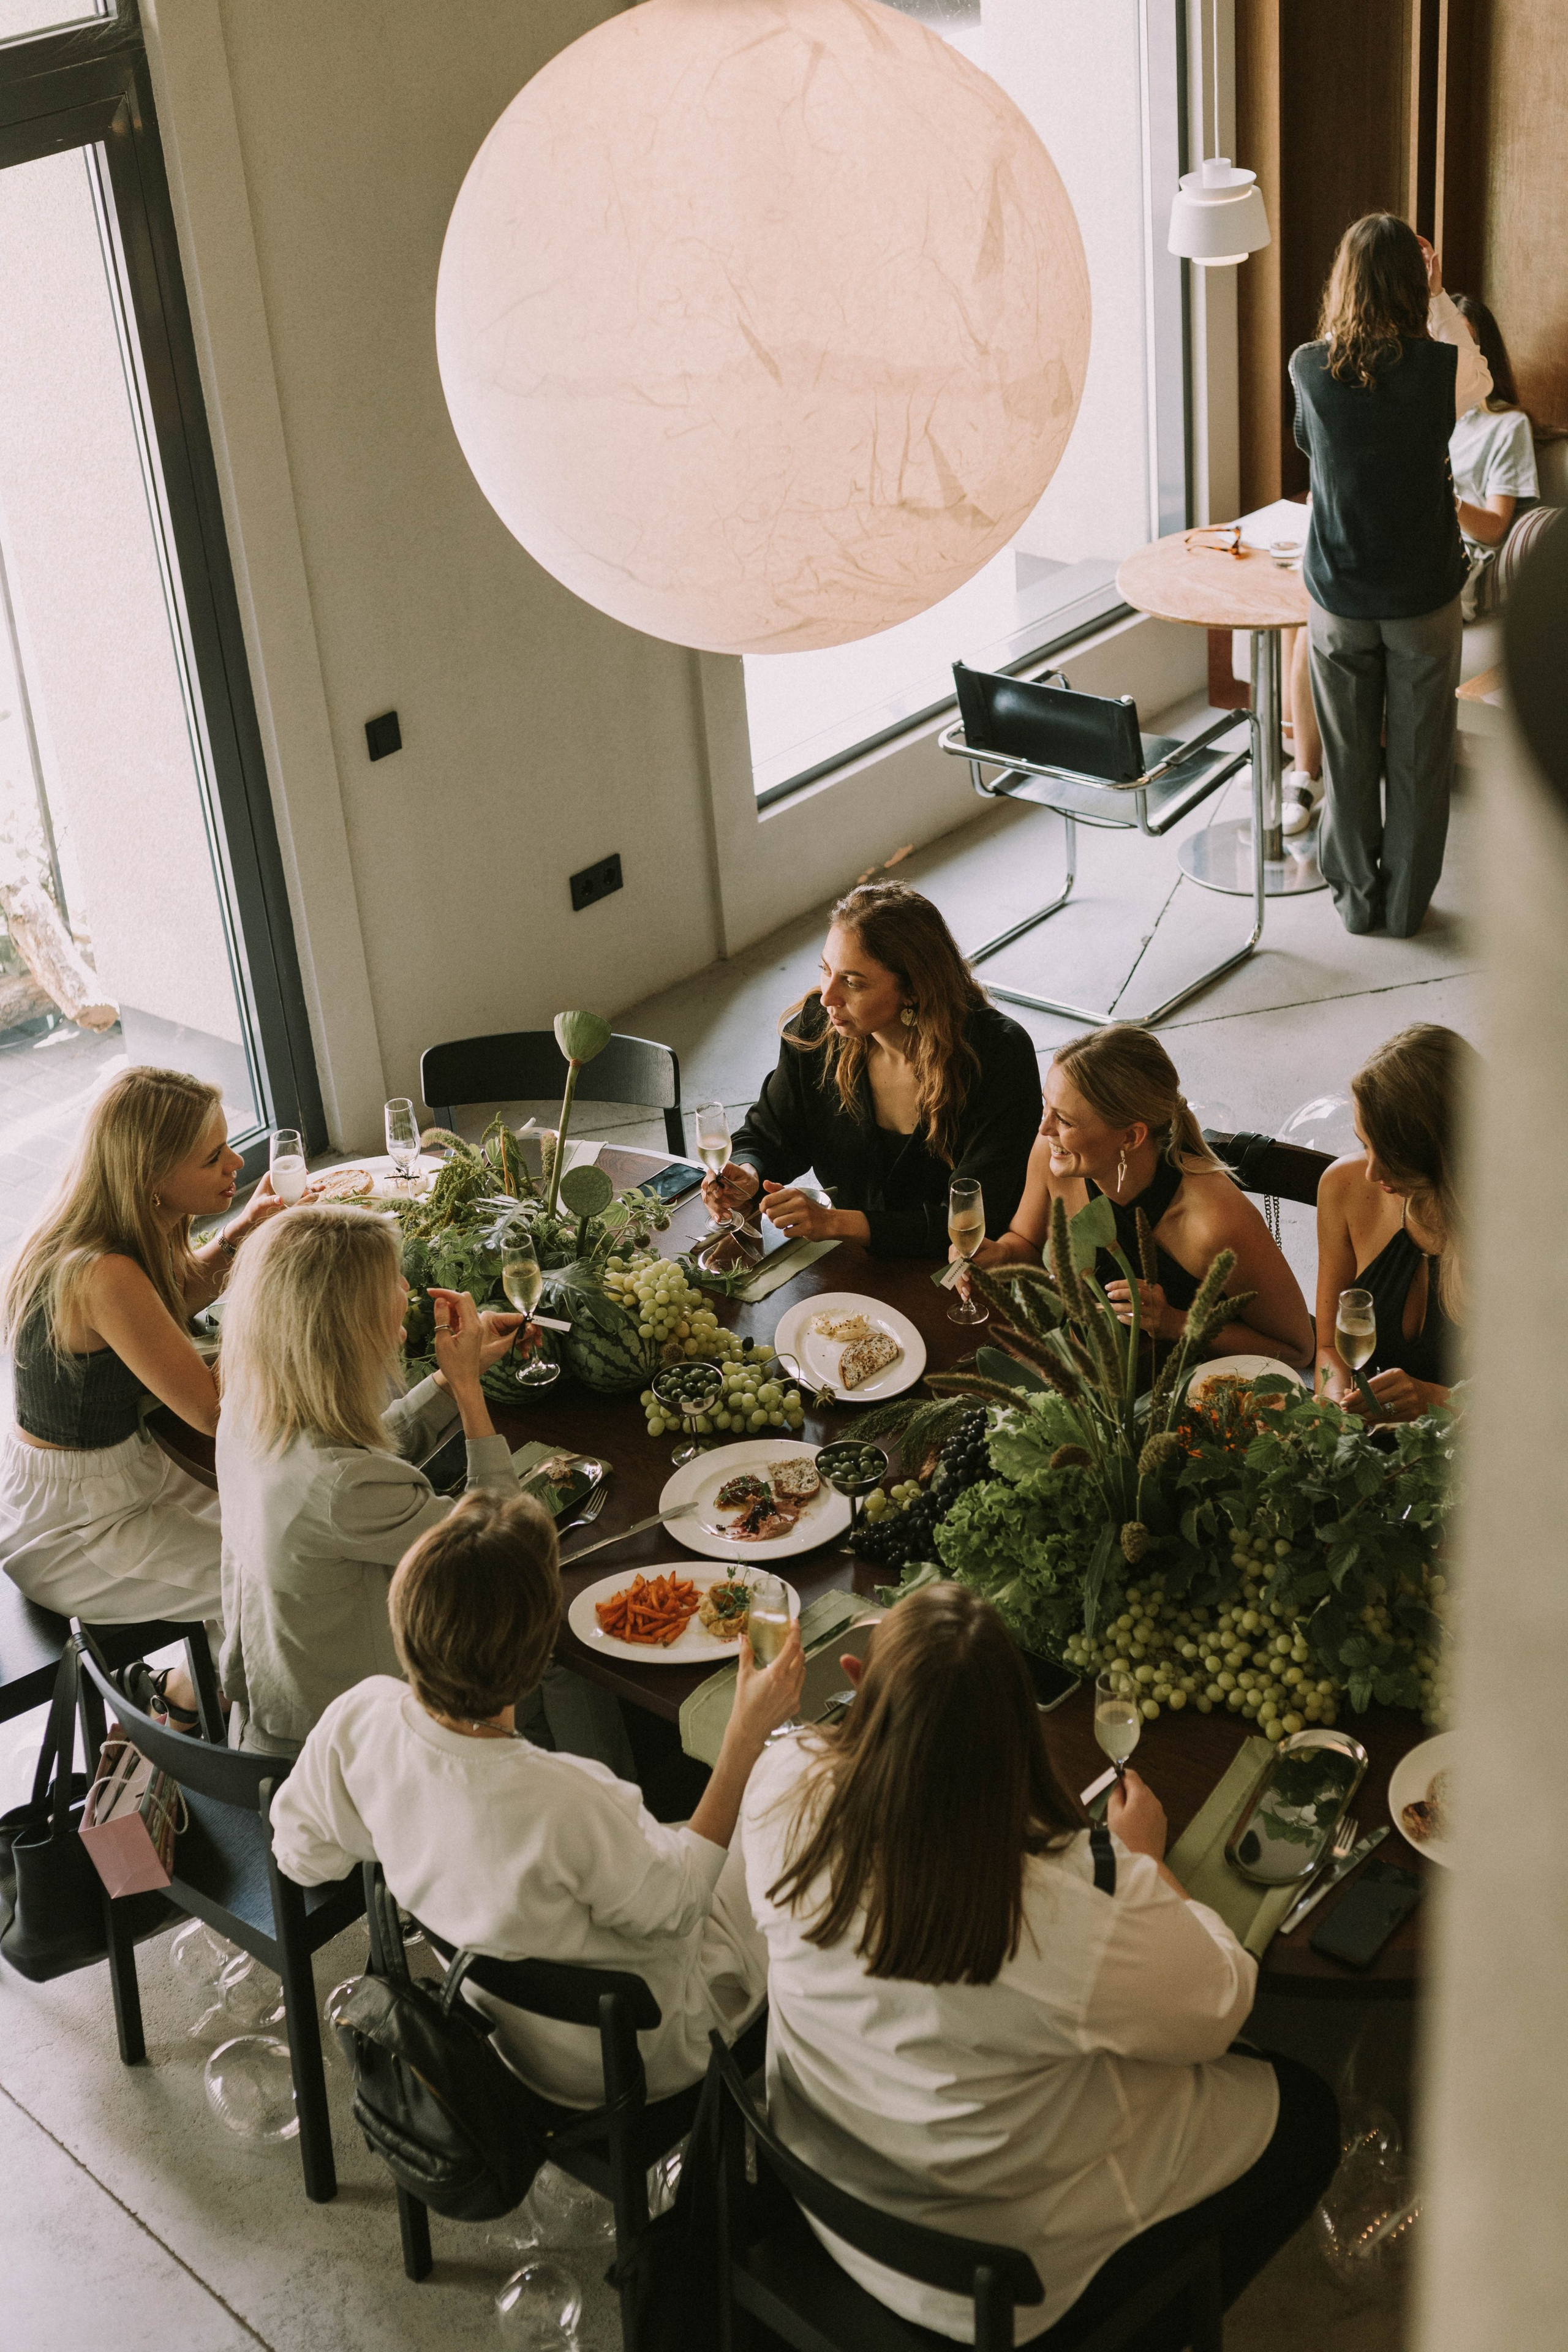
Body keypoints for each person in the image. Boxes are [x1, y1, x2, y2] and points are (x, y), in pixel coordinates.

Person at [742, 1585, 1340, 2344]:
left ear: (858, 1682)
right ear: (1019, 1733)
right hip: (989, 2280)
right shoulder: (1061, 1909)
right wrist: (1145, 1861)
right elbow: (1223, 2004)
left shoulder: (780, 1787)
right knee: (1307, 2113)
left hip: (827, 2189)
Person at [271, 1488, 805, 2105]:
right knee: (792, 1803)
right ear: (535, 1657)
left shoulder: (359, 1717)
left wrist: (409, 1827)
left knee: (698, 1829)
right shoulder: (568, 1799)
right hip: (641, 2050)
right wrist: (743, 1738)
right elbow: (682, 1907)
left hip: (499, 2032)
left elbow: (302, 1856)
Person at [215, 1204, 629, 1768]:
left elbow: (356, 1457)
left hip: (280, 1694)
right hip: (349, 1740)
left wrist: (444, 1379)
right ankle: (596, 1814)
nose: (406, 1287)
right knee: (551, 1634)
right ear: (348, 1320)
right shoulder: (341, 1486)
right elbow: (505, 1552)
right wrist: (467, 1393)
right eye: (390, 1282)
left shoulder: (248, 1405)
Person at [0, 1066, 284, 1639]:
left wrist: (243, 1232)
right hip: (80, 1528)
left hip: (114, 1478)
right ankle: (177, 1706)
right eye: (213, 1157)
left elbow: (172, 1297)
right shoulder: (103, 1274)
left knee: (287, 1534)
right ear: (149, 1176)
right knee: (277, 1575)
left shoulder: (103, 1232)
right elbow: (211, 1409)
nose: (237, 1164)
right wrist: (288, 1319)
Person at [1290, 215, 1493, 938]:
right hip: (1422, 599)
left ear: (1342, 281)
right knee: (1418, 764)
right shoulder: (1439, 371)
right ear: (1414, 280)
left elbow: (1312, 452)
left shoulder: (1307, 367)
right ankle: (1405, 909)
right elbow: (1480, 381)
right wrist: (1437, 302)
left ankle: (1354, 904)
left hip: (1339, 598)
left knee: (1345, 761)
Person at [704, 882, 1041, 1259]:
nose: (828, 998)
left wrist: (836, 1224)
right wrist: (749, 1173)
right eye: (826, 970)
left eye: (852, 982)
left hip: (959, 1274)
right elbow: (770, 1133)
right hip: (855, 1263)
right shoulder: (819, 1029)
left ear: (913, 989)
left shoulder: (998, 1055)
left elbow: (977, 1219)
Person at [972, 1026, 1314, 1368]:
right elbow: (1026, 1244)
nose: (1044, 1128)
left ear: (1131, 1136)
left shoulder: (1213, 1222)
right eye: (1046, 1106)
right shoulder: (1053, 1156)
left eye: (1064, 1119)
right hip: (1083, 1370)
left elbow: (1297, 1349)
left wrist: (1174, 1323)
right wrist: (998, 1255)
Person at [1314, 1023, 1470, 1420]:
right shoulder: (1344, 1188)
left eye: (1392, 1155)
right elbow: (1330, 1349)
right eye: (1365, 1144)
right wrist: (1337, 1400)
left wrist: (1436, 1401)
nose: (1370, 1172)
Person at [1449, 295, 1539, 617]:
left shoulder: (1509, 425)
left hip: (1454, 558)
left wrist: (1444, 498)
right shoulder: (1426, 414)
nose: (1452, 352)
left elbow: (1496, 527)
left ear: (1483, 353)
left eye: (1464, 342)